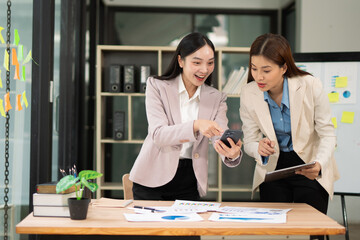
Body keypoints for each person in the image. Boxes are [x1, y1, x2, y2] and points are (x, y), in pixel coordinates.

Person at [129, 32, 242, 201]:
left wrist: (231, 153)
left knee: (189, 228)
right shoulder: (157, 86)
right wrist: (195, 125)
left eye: (210, 63)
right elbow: (158, 135)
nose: (205, 70)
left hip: (189, 180)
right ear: (181, 61)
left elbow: (219, 134)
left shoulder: (217, 98)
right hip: (151, 179)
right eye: (197, 62)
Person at [239, 33, 339, 218]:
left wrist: (319, 164)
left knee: (310, 228)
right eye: (254, 68)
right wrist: (258, 148)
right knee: (274, 230)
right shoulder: (248, 93)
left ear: (284, 67)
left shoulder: (310, 85)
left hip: (309, 164)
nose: (258, 76)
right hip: (274, 168)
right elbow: (250, 142)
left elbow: (328, 134)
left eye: (266, 70)